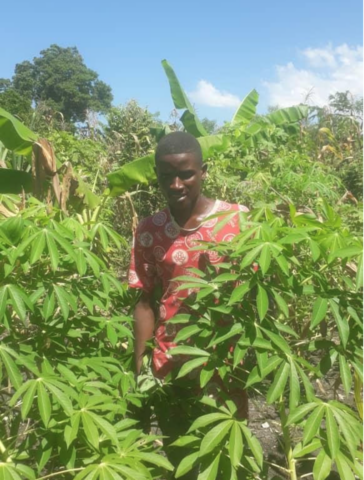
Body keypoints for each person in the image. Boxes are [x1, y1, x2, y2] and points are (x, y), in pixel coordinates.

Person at [129, 131, 248, 476]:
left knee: (226, 459)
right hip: (171, 366)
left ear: (204, 171)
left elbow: (257, 295)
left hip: (225, 366)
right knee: (180, 459)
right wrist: (141, 366)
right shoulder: (150, 229)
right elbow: (145, 300)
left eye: (186, 174)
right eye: (167, 177)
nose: (176, 184)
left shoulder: (237, 221)